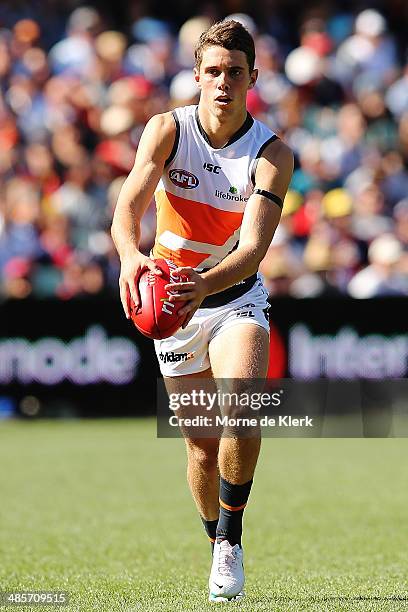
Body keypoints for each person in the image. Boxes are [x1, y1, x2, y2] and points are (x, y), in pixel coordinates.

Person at [111, 19, 293, 603]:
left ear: (253, 79)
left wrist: (202, 284)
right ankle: (214, 536)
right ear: (196, 76)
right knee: (200, 446)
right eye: (212, 72)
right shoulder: (166, 128)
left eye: (234, 73)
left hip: (234, 296)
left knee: (242, 407)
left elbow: (253, 252)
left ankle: (231, 538)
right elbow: (130, 203)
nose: (222, 82)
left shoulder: (271, 154)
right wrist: (128, 257)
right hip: (170, 303)